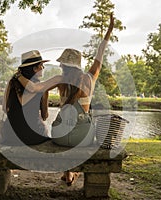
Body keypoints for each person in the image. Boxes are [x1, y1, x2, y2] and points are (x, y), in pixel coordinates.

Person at [16, 13, 115, 185]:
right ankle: (72, 173)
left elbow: (34, 88)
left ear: (63, 64)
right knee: (79, 127)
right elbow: (101, 51)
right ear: (78, 64)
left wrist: (19, 76)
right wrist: (109, 29)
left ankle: (69, 173)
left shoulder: (59, 80)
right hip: (82, 139)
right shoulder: (89, 78)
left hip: (60, 137)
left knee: (64, 125)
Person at [0, 50, 57, 145]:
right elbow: (44, 116)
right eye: (41, 65)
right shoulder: (40, 87)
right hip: (32, 136)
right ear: (35, 69)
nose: (43, 67)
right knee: (44, 127)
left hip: (10, 136)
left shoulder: (11, 83)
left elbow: (4, 108)